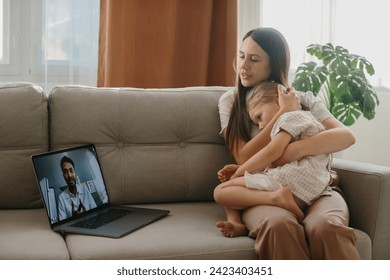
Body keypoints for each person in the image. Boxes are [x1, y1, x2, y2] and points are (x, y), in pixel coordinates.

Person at [216, 27, 361, 259]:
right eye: (242, 56)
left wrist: (292, 151)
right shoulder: (231, 101)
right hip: (268, 188)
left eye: (254, 59)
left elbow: (345, 136)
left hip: (316, 188)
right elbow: (242, 156)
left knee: (326, 226)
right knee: (279, 226)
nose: (244, 65)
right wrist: (282, 113)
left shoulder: (303, 99)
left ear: (274, 65)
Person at [214, 81, 335, 236]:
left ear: (278, 100)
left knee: (222, 190)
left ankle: (276, 198)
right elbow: (276, 160)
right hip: (308, 185)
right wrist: (242, 171)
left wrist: (240, 172)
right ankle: (236, 222)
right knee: (234, 188)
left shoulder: (290, 117)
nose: (261, 126)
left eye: (259, 117)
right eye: (256, 123)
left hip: (295, 181)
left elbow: (273, 152)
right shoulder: (305, 119)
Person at [57, 156, 97, 221]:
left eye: (71, 171)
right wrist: (73, 218)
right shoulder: (61, 198)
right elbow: (62, 224)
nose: (69, 175)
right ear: (63, 176)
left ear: (75, 173)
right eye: (65, 172)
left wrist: (86, 215)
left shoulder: (85, 190)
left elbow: (96, 213)